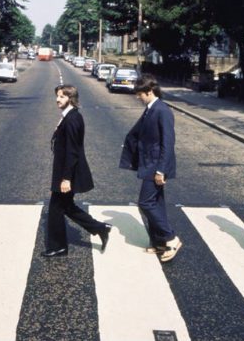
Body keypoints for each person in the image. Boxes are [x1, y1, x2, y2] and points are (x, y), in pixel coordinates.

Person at [41, 84, 112, 258]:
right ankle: (100, 228)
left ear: (71, 98)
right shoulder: (69, 116)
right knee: (66, 207)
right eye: (57, 96)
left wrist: (65, 179)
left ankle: (58, 247)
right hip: (64, 172)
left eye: (62, 97)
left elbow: (72, 151)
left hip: (68, 174)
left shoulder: (72, 119)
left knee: (57, 208)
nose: (58, 99)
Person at [119, 74, 181, 262]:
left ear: (150, 91)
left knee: (145, 203)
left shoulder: (162, 110)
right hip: (149, 163)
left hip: (156, 166)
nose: (138, 97)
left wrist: (161, 170)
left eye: (140, 94)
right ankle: (159, 242)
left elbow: (168, 143)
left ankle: (171, 238)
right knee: (157, 203)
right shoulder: (150, 109)